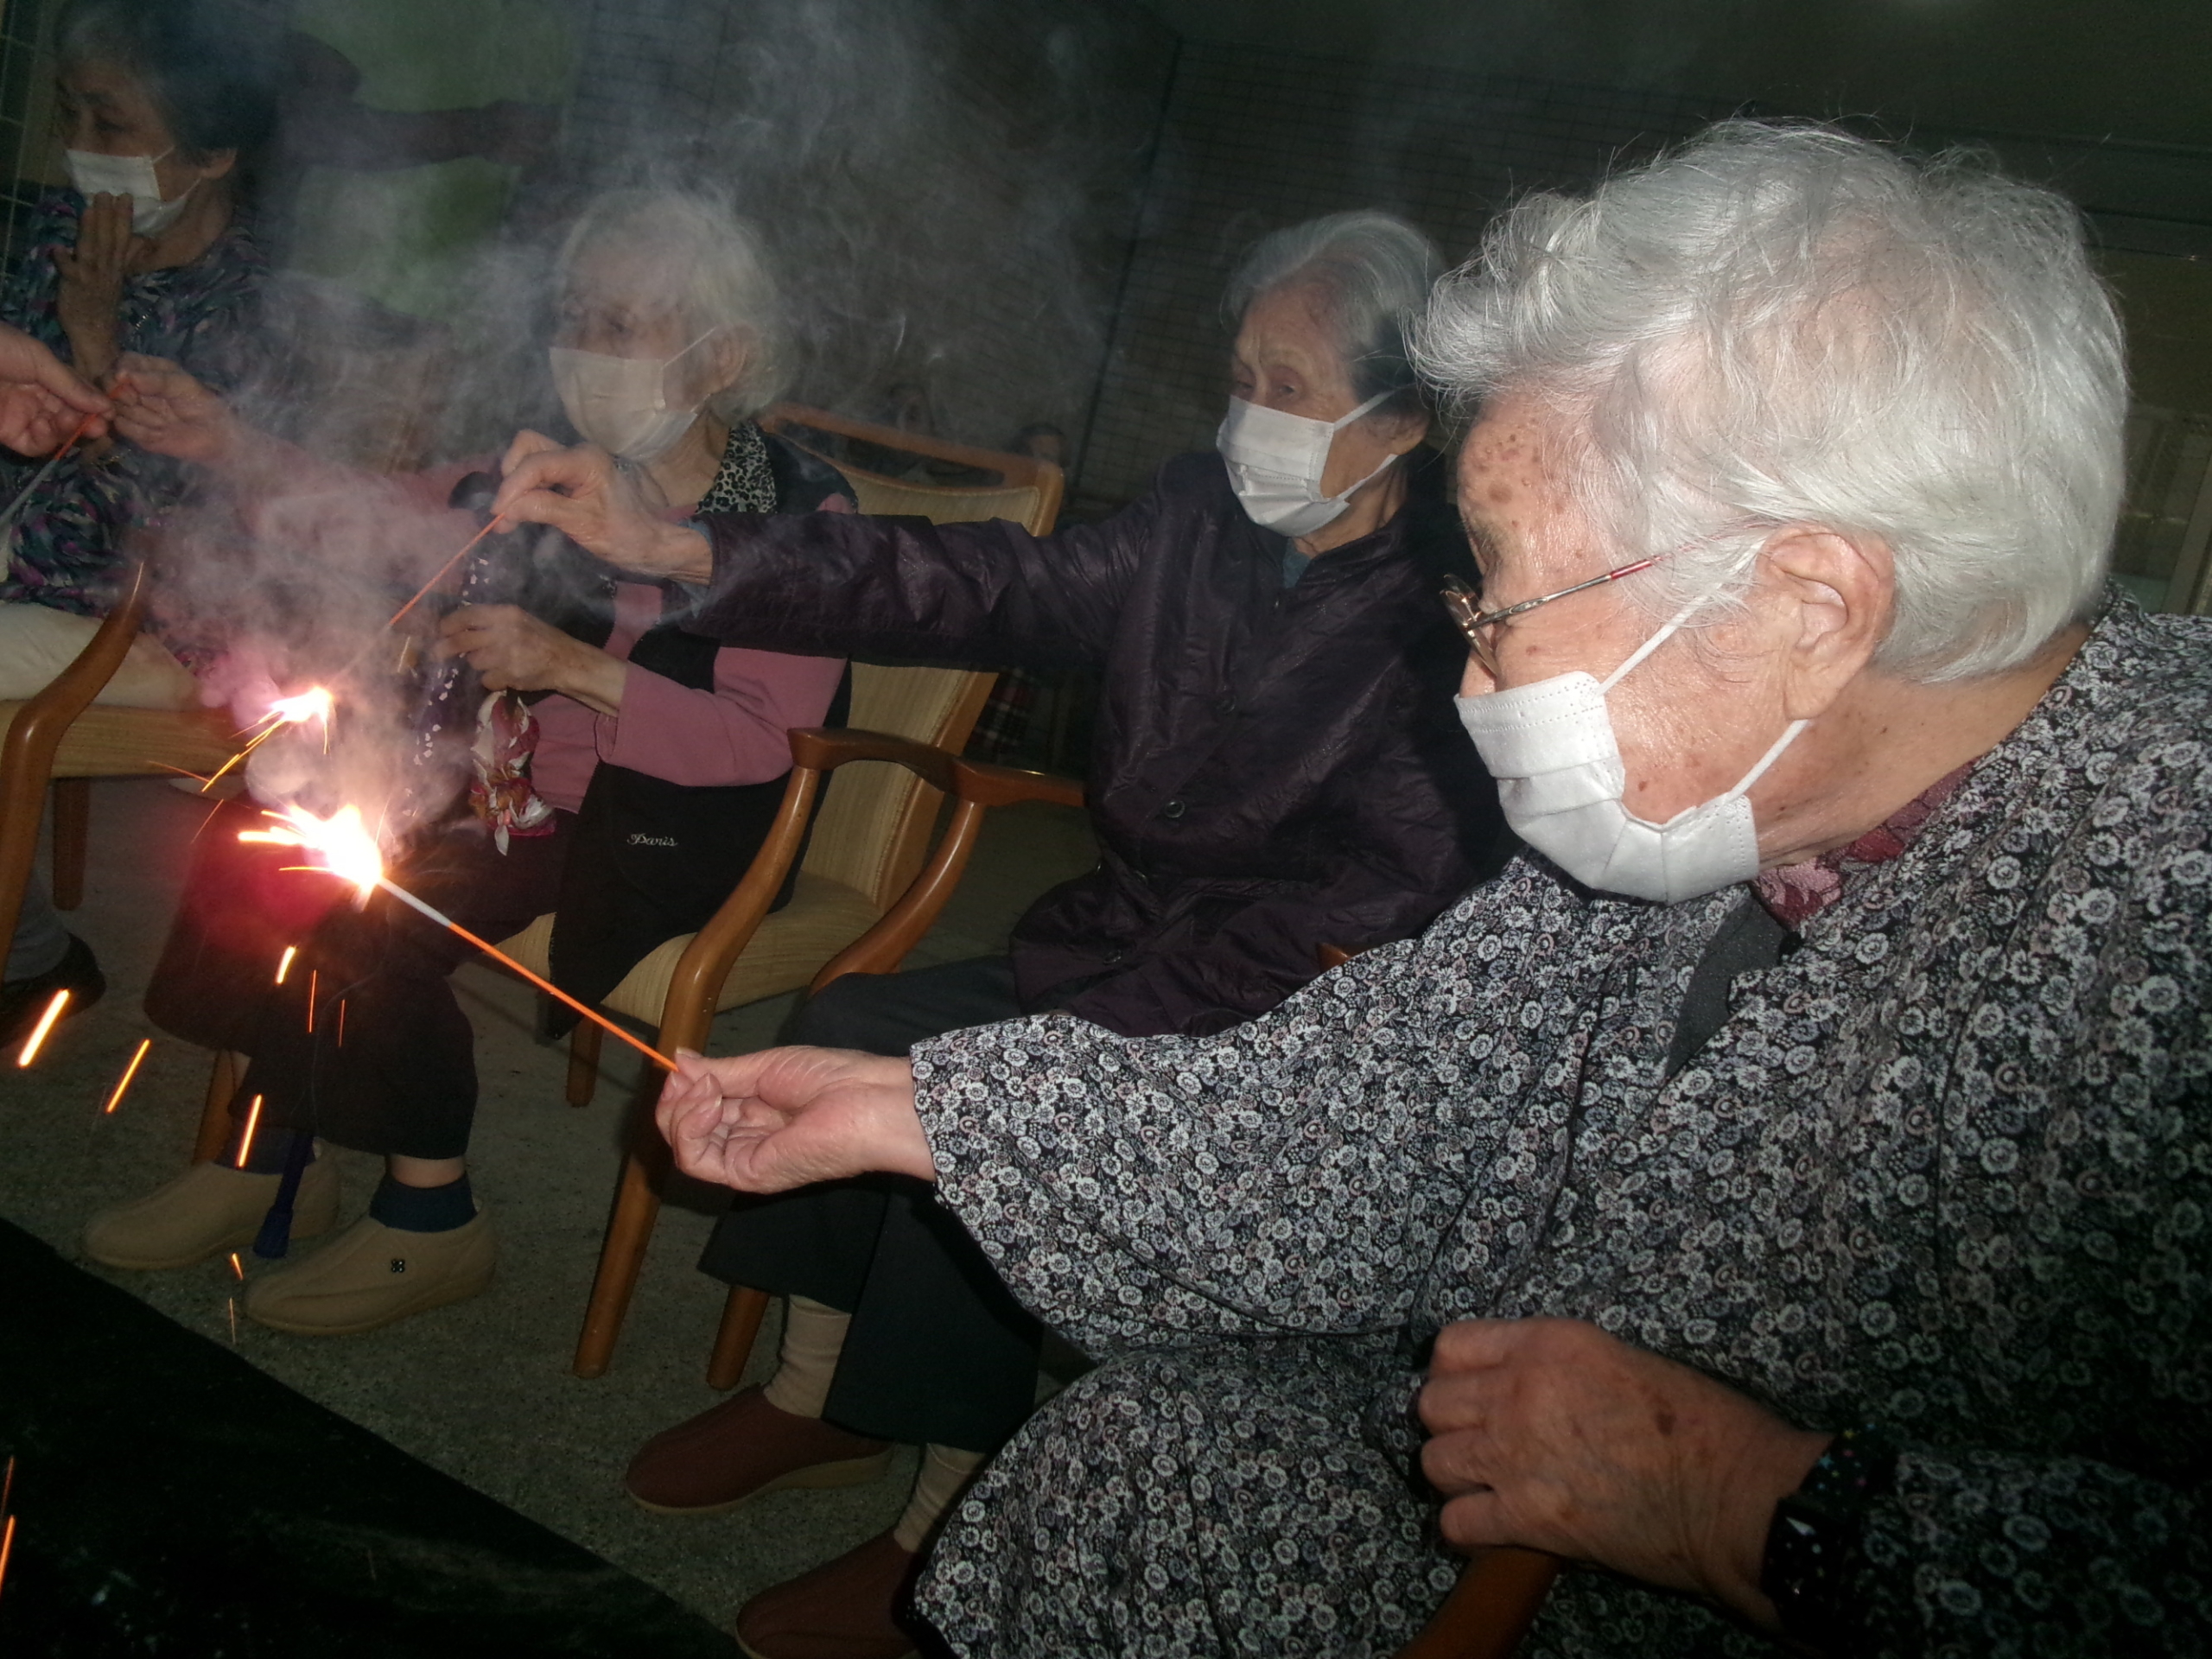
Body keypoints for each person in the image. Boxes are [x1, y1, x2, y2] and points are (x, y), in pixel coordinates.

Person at [629, 124, 2206, 1654]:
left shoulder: (2170, 901)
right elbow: (1387, 1103)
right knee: (1140, 1454)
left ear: (1805, 605)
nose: (1470, 676)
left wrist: (1763, 1505)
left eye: (1509, 595)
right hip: (1530, 1435)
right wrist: (920, 1113)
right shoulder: (1701, 807)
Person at [497, 212, 1515, 1658]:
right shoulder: (1195, 515)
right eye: (1239, 374)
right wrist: (682, 543)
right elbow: (974, 586)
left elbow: (1372, 908)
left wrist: (1073, 1037)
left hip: (1277, 1009)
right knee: (849, 1022)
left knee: (988, 1100)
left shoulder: (1448, 610)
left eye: (1287, 388)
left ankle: (940, 1527)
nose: (1247, 417)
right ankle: (817, 1399)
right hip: (1118, 933)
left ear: (1402, 420)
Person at [79, 189, 850, 1340]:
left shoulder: (787, 510)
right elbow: (387, 515)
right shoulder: (554, 462)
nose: (585, 346)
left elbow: (758, 740)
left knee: (379, 909)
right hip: (509, 783)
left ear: (721, 353)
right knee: (260, 846)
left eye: (624, 322)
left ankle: (431, 1212)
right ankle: (277, 1142)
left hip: (664, 821)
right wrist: (226, 443)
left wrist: (573, 667)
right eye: (578, 312)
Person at [0, 0, 276, 1042]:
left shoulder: (251, 305)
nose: (79, 149)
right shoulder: (58, 242)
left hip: (155, 620)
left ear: (209, 155)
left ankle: (28, 958)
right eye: (69, 114)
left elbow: (204, 533)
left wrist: (97, 340)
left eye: (111, 125)